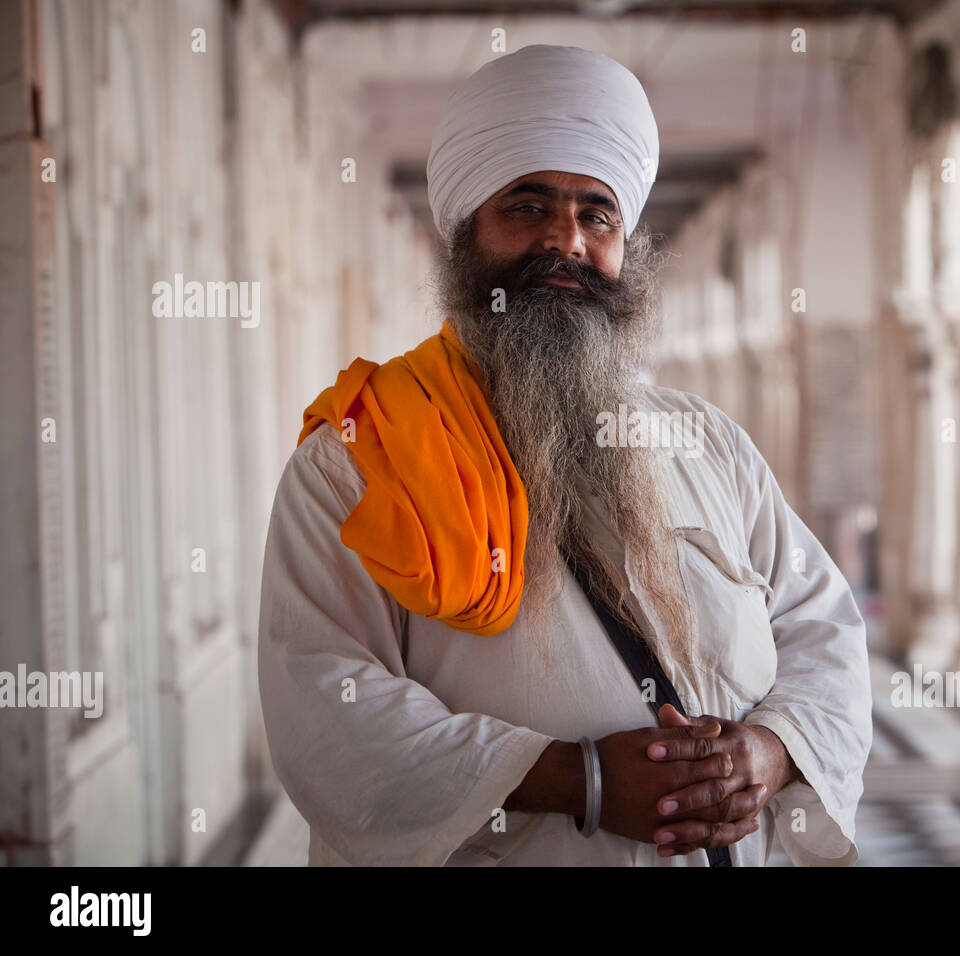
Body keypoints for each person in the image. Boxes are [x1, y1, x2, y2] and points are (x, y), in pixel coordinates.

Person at [257, 43, 872, 866]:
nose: (566, 243)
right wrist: (573, 780)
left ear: (623, 246)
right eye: (527, 206)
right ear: (465, 235)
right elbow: (325, 704)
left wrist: (768, 754)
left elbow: (821, 626)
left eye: (596, 214)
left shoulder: (708, 443)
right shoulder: (358, 461)